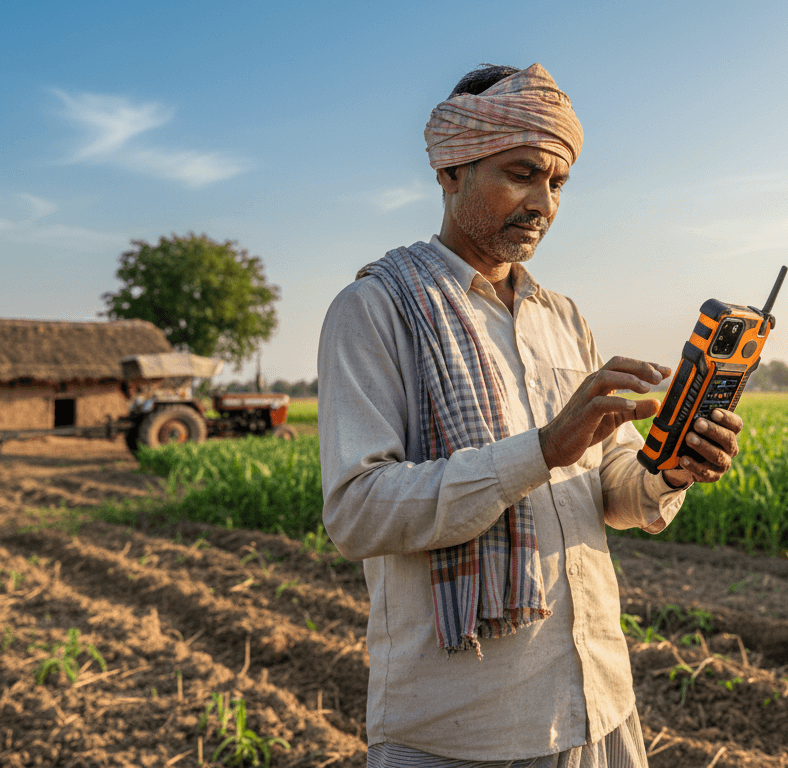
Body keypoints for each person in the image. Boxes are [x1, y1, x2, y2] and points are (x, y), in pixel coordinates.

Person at [317, 63, 742, 767]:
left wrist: (672, 467)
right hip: (466, 729)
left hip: (599, 700)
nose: (543, 201)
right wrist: (543, 448)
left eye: (558, 182)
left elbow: (614, 491)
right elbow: (357, 512)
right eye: (521, 173)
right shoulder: (374, 310)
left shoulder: (563, 319)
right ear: (452, 170)